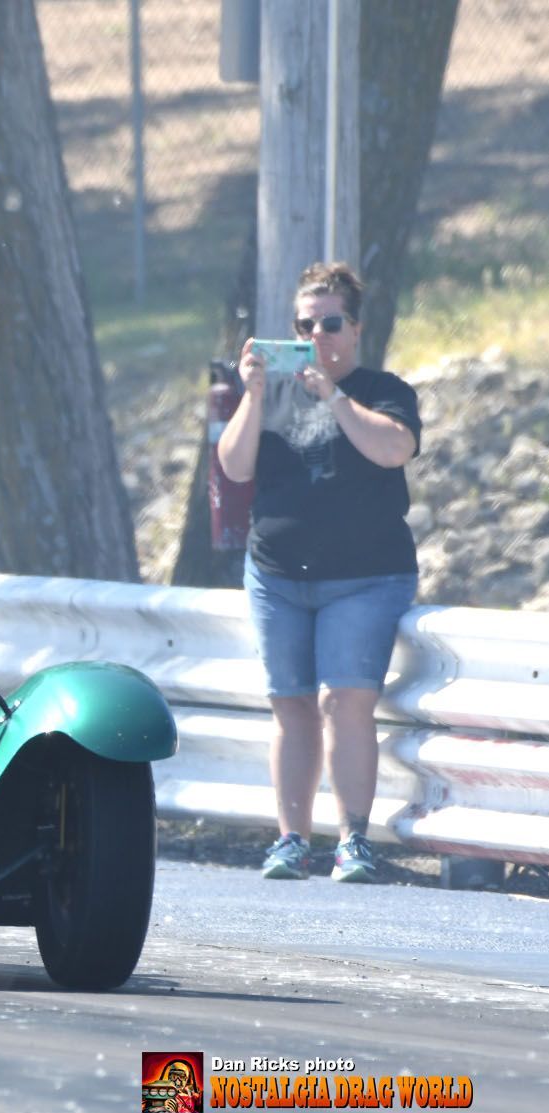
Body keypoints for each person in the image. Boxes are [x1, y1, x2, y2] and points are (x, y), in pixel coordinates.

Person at [216, 262, 421, 883]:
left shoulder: (383, 391)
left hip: (365, 576)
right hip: (278, 574)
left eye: (332, 323)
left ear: (356, 329)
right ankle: (291, 839)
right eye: (306, 326)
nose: (320, 336)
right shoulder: (269, 397)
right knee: (293, 707)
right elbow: (235, 468)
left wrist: (333, 395)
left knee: (346, 701)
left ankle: (353, 838)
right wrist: (252, 393)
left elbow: (393, 449)